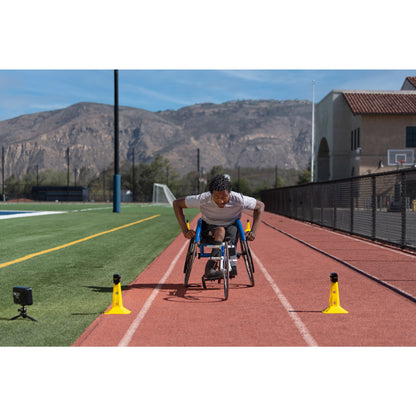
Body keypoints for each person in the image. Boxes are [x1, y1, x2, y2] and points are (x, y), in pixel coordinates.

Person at [173, 174, 264, 279]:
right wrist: (185, 231)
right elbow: (177, 204)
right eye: (217, 197)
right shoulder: (203, 199)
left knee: (229, 229)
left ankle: (229, 262)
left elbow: (260, 206)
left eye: (224, 197)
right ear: (211, 194)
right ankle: (209, 268)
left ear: (230, 193)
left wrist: (253, 232)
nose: (221, 201)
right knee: (220, 230)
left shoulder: (238, 199)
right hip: (209, 228)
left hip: (231, 228)